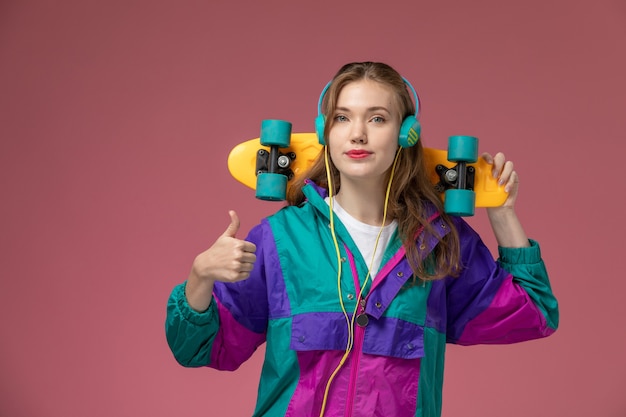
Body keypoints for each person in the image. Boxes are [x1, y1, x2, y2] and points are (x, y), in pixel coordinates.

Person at [165, 61, 559, 417]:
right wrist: (200, 277)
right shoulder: (280, 240)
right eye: (342, 118)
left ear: (406, 134)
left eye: (377, 119)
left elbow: (534, 314)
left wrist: (502, 212)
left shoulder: (439, 243)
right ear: (325, 132)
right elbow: (201, 348)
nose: (357, 134)